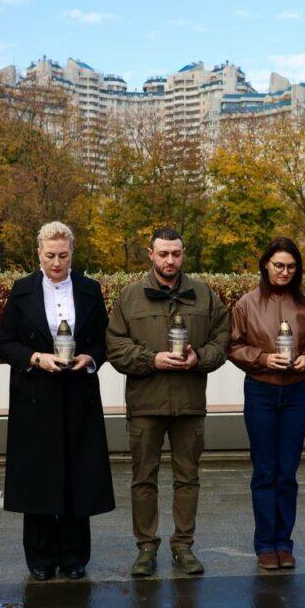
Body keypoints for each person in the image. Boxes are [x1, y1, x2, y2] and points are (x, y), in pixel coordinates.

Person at [106, 228, 230, 578]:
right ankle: (146, 548)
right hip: (146, 404)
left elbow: (224, 336)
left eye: (176, 253)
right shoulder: (130, 297)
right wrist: (151, 360)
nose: (170, 260)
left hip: (189, 404)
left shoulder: (203, 294)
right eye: (163, 254)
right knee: (143, 479)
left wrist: (200, 358)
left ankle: (183, 546)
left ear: (183, 252)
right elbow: (114, 346)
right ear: (150, 254)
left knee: (187, 478)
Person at [0, 222, 115, 581]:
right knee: (38, 475)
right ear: (38, 253)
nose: (56, 263)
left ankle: (75, 556)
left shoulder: (90, 290)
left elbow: (102, 339)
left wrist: (89, 359)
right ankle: (40, 557)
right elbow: (5, 343)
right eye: (50, 255)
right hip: (35, 394)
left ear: (72, 253)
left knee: (77, 473)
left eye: (63, 255)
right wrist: (36, 357)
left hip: (78, 393)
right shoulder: (21, 291)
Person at [228, 238, 305, 571]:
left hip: (297, 393)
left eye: (291, 266)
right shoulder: (246, 304)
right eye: (278, 265)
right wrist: (261, 358)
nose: (284, 272)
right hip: (260, 389)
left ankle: (284, 544)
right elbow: (232, 347)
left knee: (287, 473)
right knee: (264, 471)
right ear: (265, 266)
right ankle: (264, 545)